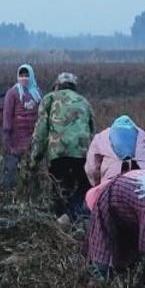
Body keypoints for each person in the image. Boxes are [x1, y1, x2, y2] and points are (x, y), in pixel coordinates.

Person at [29, 71, 94, 220]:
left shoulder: (49, 98)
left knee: (58, 190)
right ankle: (74, 214)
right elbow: (92, 131)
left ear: (57, 85)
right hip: (82, 153)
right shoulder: (84, 101)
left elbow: (41, 131)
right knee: (84, 186)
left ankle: (62, 219)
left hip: (58, 152)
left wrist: (35, 157)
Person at [85, 115, 145, 189]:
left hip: (113, 177)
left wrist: (96, 184)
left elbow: (92, 168)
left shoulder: (101, 137)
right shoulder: (144, 135)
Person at [1, 64, 42, 189]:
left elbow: (41, 115)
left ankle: (30, 192)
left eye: (26, 75)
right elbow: (7, 115)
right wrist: (6, 137)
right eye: (21, 75)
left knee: (32, 168)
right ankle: (9, 192)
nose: (24, 78)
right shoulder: (12, 93)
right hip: (16, 138)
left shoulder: (38, 94)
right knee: (12, 167)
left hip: (32, 138)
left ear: (31, 76)